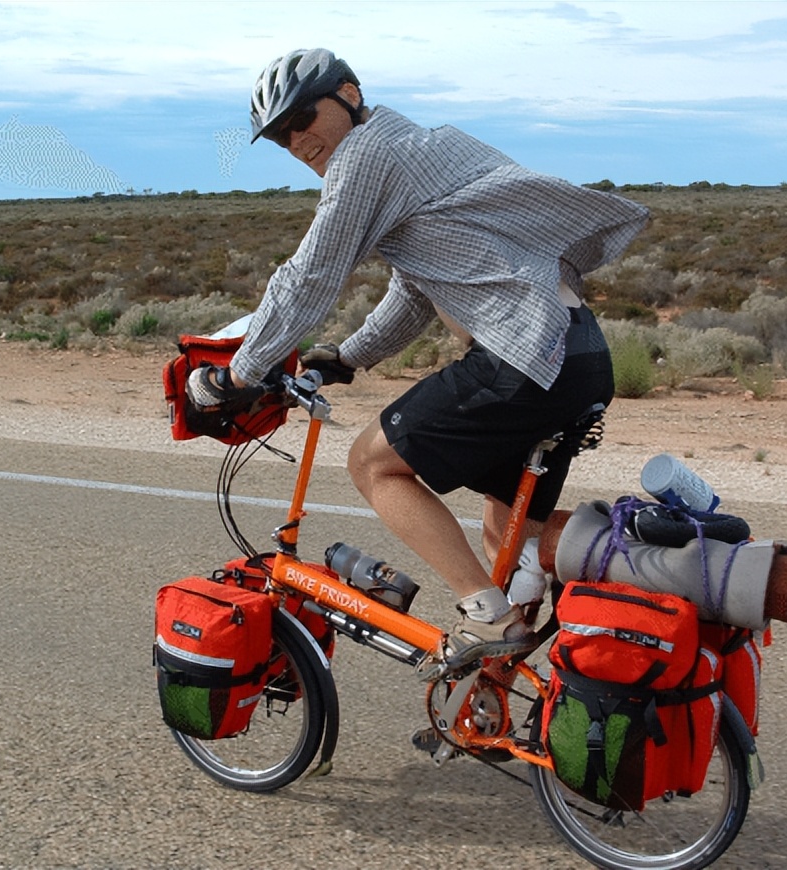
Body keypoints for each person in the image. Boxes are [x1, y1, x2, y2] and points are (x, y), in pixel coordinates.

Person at [187, 48, 649, 673]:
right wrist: (348, 357)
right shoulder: (427, 148)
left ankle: (487, 616)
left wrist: (236, 376)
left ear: (349, 94)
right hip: (580, 353)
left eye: (301, 119)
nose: (296, 141)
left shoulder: (366, 153)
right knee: (507, 537)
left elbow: (309, 275)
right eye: (279, 136)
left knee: (372, 464)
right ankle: (525, 671)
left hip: (524, 357)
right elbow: (414, 291)